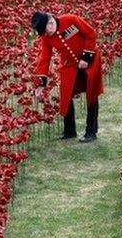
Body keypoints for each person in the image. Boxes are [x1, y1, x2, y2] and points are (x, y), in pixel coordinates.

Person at [31, 11, 104, 143]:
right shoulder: (46, 36)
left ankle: (91, 132)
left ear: (51, 22)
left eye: (47, 30)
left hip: (90, 59)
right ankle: (70, 131)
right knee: (66, 94)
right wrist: (41, 83)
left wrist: (86, 57)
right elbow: (45, 58)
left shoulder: (71, 20)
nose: (46, 35)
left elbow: (91, 33)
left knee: (92, 93)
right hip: (69, 64)